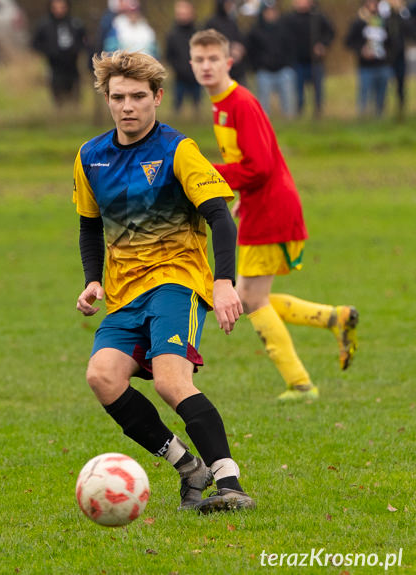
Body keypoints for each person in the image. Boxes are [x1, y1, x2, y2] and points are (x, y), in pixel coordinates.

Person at [73, 50, 255, 513]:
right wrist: (93, 280)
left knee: (172, 382)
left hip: (176, 282)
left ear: (157, 97)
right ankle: (186, 466)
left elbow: (220, 215)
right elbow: (89, 225)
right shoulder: (90, 156)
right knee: (102, 377)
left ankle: (229, 482)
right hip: (124, 292)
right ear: (107, 100)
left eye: (138, 96)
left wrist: (223, 282)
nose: (127, 106)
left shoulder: (178, 150)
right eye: (118, 97)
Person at [189, 29, 359, 401]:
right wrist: (237, 197)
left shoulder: (240, 103)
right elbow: (247, 167)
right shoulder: (221, 104)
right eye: (199, 60)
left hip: (271, 209)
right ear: (190, 64)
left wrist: (207, 175)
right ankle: (335, 318)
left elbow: (260, 167)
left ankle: (301, 383)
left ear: (228, 62)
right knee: (251, 298)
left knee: (251, 300)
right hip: (258, 206)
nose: (206, 66)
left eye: (212, 59)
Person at [282, 0, 336, 119]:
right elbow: (282, 39)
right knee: (298, 91)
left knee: (317, 90)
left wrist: (322, 44)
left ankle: (318, 113)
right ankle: (299, 113)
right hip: (296, 62)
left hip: (315, 61)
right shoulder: (288, 19)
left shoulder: (317, 17)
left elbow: (330, 32)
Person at [32, 0, 87, 108]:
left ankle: (75, 111)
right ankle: (60, 113)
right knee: (57, 89)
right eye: (56, 7)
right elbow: (35, 43)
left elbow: (84, 40)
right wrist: (48, 51)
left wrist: (77, 50)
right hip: (54, 63)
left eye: (62, 7)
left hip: (72, 63)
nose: (59, 10)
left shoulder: (75, 23)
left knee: (74, 89)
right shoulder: (44, 25)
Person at [246, 1, 297, 118]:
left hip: (283, 70)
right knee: (263, 104)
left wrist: (289, 64)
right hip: (264, 71)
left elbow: (291, 48)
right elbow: (250, 52)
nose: (270, 14)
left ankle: (290, 121)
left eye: (273, 11)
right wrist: (256, 66)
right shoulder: (255, 31)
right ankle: (264, 122)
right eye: (267, 12)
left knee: (288, 101)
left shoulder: (284, 29)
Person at [345, 0, 393, 117]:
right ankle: (363, 117)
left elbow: (392, 41)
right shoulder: (359, 22)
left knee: (381, 95)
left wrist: (388, 54)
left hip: (383, 64)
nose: (373, 4)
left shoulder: (384, 21)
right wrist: (361, 50)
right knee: (364, 93)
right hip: (366, 66)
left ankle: (379, 117)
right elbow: (348, 41)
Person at [165, 0, 202, 117]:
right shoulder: (172, 34)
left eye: (185, 12)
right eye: (180, 12)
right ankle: (177, 122)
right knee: (177, 105)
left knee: (197, 104)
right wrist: (178, 68)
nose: (183, 15)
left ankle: (197, 121)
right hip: (179, 76)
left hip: (196, 74)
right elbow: (169, 55)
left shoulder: (198, 33)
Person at [383, 0, 415, 117]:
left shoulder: (404, 16)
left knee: (400, 84)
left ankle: (401, 108)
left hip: (400, 55)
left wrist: (402, 13)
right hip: (386, 57)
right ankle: (381, 109)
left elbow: (411, 32)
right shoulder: (384, 16)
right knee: (384, 83)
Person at [204, 0, 248, 84]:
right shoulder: (211, 23)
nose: (230, 6)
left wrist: (240, 49)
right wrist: (230, 48)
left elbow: (240, 39)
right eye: (228, 4)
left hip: (237, 70)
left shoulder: (232, 21)